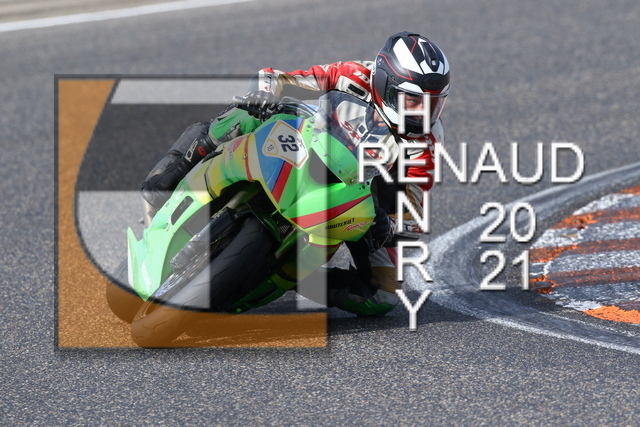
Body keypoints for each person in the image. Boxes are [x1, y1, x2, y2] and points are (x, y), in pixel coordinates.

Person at [141, 31, 450, 316]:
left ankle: (296, 277)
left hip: (357, 197)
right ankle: (174, 171)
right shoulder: (353, 75)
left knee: (384, 296)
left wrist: (388, 223)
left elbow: (412, 206)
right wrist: (265, 93)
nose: (424, 113)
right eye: (414, 101)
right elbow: (280, 79)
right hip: (306, 148)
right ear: (385, 83)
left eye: (434, 104)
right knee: (244, 113)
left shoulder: (427, 141)